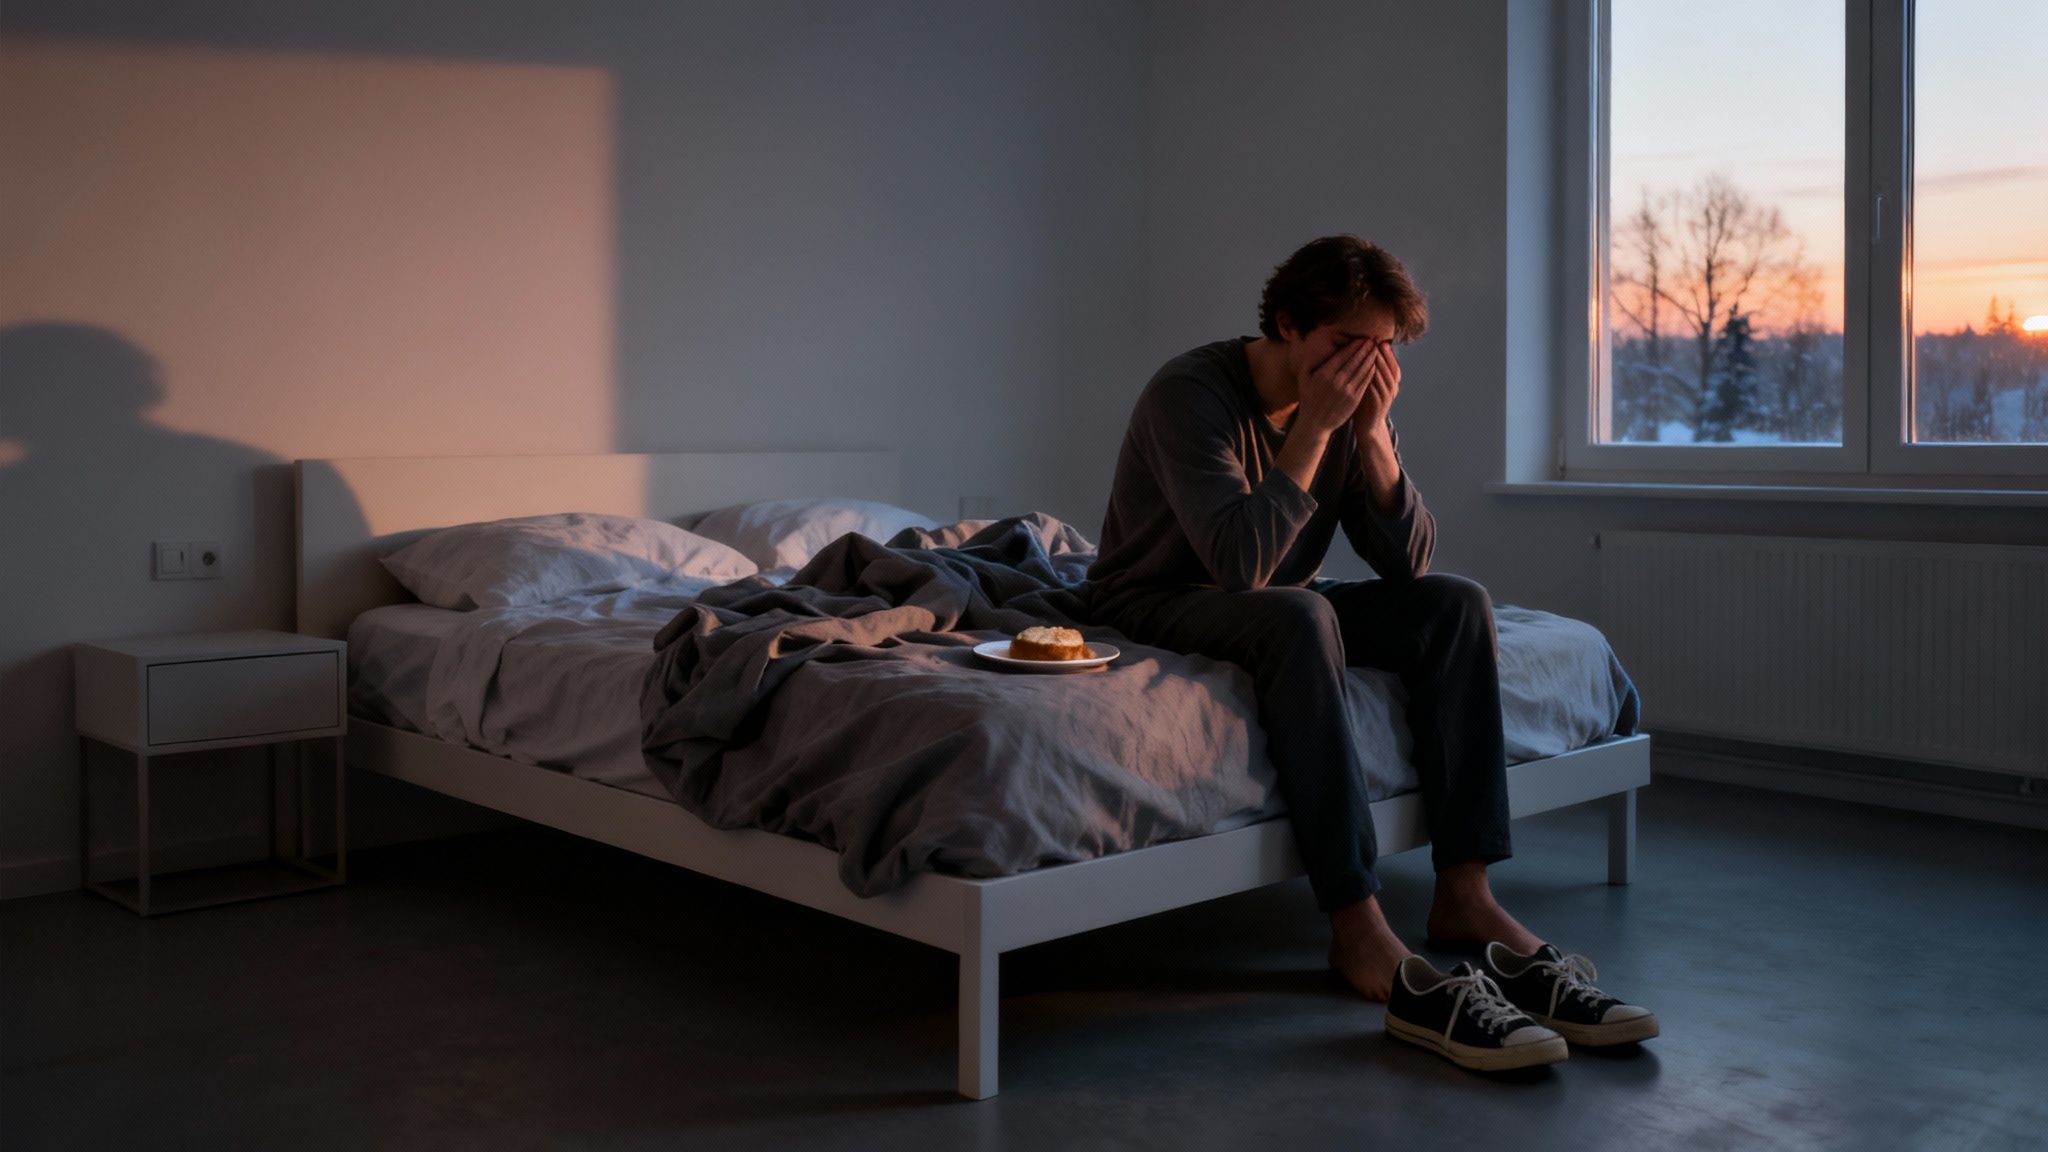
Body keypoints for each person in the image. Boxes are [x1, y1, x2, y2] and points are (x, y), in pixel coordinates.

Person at [1085, 235, 1550, 1004]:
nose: (1361, 369)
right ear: (1289, 325)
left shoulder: (1354, 405)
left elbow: (1410, 564)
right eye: (1344, 344)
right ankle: (1355, 921)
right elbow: (1240, 566)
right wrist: (1313, 434)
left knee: (1456, 603)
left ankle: (1465, 891)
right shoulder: (1189, 393)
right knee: (1300, 616)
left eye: (1382, 350)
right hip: (1155, 598)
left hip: (1274, 596)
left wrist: (1369, 437)